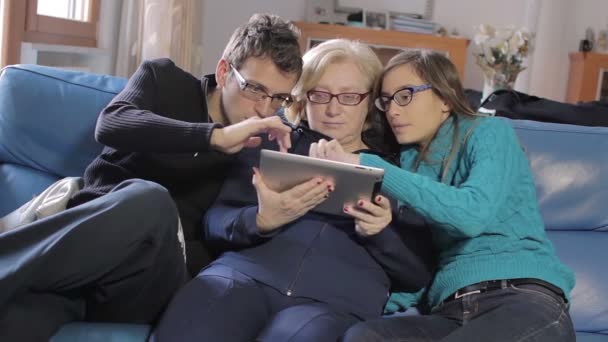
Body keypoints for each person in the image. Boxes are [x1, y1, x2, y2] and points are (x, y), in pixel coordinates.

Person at [0, 14, 302, 341]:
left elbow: (225, 235)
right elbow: (112, 124)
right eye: (255, 90)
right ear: (224, 71)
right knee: (16, 321)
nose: (264, 109)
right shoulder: (163, 80)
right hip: (79, 258)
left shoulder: (262, 148)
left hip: (145, 282)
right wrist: (213, 137)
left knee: (154, 202)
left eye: (279, 99)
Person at [151, 39, 434, 342]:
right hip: (239, 278)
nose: (333, 109)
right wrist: (261, 219)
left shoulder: (400, 172)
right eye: (320, 94)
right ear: (302, 98)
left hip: (333, 304)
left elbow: (417, 273)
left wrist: (380, 233)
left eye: (349, 96)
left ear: (369, 102)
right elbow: (215, 223)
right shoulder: (273, 143)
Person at [312, 49, 576, 341]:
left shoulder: (489, 132)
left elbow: (471, 215)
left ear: (446, 98)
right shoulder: (408, 164)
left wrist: (368, 165)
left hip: (520, 299)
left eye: (405, 96)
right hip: (449, 310)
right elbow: (423, 270)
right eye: (386, 101)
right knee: (364, 336)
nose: (393, 111)